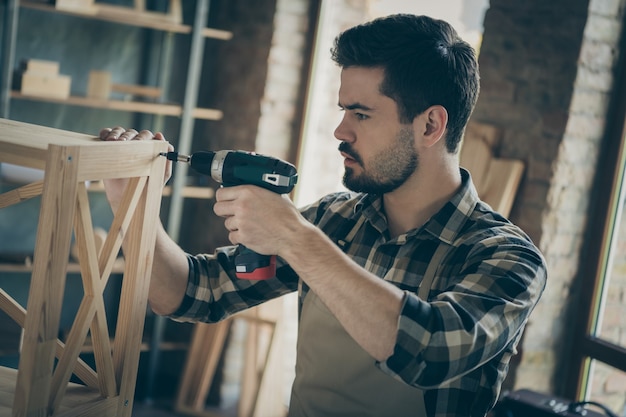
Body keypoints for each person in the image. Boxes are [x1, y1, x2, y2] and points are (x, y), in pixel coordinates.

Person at [100, 13, 547, 417]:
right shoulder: (335, 220)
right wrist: (131, 207)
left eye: (362, 114)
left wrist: (295, 237)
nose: (340, 130)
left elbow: (427, 350)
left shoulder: (505, 259)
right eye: (342, 110)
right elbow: (189, 294)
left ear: (430, 125)